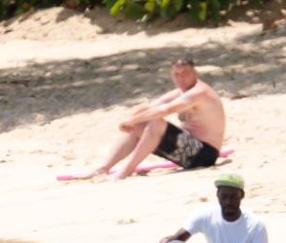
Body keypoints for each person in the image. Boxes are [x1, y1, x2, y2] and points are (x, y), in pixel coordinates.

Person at [83, 57, 226, 180]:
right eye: (176, 74)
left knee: (156, 122)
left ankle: (126, 171)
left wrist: (131, 121)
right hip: (189, 151)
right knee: (140, 124)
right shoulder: (181, 92)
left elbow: (165, 110)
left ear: (195, 73)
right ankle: (103, 168)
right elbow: (151, 106)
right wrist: (131, 119)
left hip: (205, 155)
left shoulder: (198, 92)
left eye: (186, 73)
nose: (181, 78)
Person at [158, 173, 268, 243]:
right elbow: (178, 238)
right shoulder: (205, 216)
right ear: (217, 195)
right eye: (224, 196)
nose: (228, 201)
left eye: (233, 197)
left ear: (242, 195)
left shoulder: (256, 224)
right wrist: (165, 242)